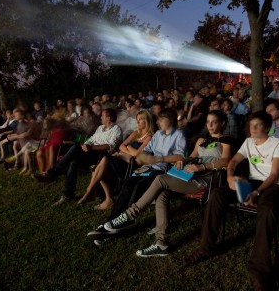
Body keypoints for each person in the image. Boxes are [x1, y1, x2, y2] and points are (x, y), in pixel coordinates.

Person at [96, 110, 235, 257]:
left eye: (214, 122)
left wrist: (201, 167)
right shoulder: (201, 140)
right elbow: (192, 156)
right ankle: (161, 243)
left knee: (161, 179)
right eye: (208, 122)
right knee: (162, 194)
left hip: (206, 180)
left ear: (223, 123)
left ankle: (129, 215)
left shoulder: (226, 141)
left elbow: (225, 161)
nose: (210, 125)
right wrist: (184, 160)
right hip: (189, 176)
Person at [183, 110, 279, 291]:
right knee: (217, 194)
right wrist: (230, 178)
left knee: (267, 210)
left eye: (258, 125)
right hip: (252, 182)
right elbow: (232, 162)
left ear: (268, 128)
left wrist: (256, 192)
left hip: (272, 185)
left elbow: (274, 174)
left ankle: (260, 271)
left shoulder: (277, 143)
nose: (253, 129)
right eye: (251, 125)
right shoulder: (248, 142)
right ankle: (206, 247)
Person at [88, 108, 187, 246]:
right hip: (148, 166)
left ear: (169, 120)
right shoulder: (158, 134)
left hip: (161, 170)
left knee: (139, 187)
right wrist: (145, 157)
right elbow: (144, 152)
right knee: (128, 184)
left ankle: (122, 222)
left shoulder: (179, 135)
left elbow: (180, 156)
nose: (157, 122)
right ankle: (111, 222)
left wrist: (159, 158)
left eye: (160, 119)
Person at [32, 108, 123, 205]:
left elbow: (111, 145)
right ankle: (67, 195)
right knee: (73, 162)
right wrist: (85, 146)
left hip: (102, 156)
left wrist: (91, 147)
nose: (100, 117)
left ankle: (52, 173)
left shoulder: (116, 129)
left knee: (75, 148)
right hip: (90, 153)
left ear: (110, 117)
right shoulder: (100, 128)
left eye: (103, 115)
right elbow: (92, 139)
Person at [77, 109, 154, 210]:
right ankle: (106, 198)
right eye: (137, 119)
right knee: (98, 168)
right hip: (122, 160)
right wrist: (128, 151)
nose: (138, 122)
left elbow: (137, 155)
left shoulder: (149, 137)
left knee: (105, 160)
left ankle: (90, 192)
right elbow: (121, 146)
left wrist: (127, 150)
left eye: (141, 120)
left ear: (147, 121)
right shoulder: (135, 133)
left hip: (131, 167)